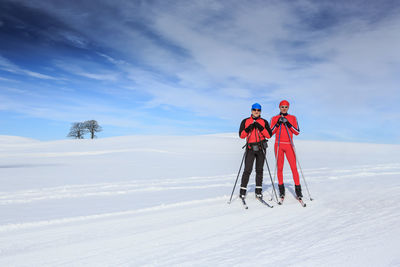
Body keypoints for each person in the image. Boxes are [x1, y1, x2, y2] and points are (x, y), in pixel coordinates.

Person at [238, 103, 272, 199]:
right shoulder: (245, 121)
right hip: (250, 149)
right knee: (247, 170)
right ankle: (242, 191)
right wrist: (249, 128)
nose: (256, 111)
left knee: (259, 170)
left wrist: (261, 127)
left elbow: (269, 135)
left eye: (258, 110)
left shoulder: (264, 122)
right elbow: (241, 135)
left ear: (260, 111)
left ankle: (258, 191)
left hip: (261, 149)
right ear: (251, 110)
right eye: (254, 110)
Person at [270, 100, 303, 199]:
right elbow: (270, 133)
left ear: (288, 108)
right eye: (282, 107)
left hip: (289, 145)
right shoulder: (274, 118)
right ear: (279, 107)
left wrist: (288, 123)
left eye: (286, 107)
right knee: (280, 168)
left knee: (294, 168)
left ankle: (298, 191)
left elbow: (297, 132)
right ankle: (281, 190)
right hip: (279, 145)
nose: (284, 108)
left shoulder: (293, 118)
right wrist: (277, 124)